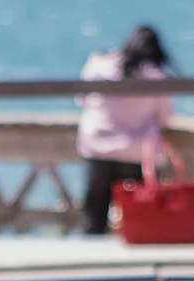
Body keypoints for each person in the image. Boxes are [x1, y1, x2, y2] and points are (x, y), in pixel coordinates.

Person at [77, 24, 182, 234]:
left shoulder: (99, 65)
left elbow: (82, 99)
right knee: (143, 220)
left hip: (99, 147)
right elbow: (164, 117)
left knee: (94, 218)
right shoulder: (156, 76)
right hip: (139, 154)